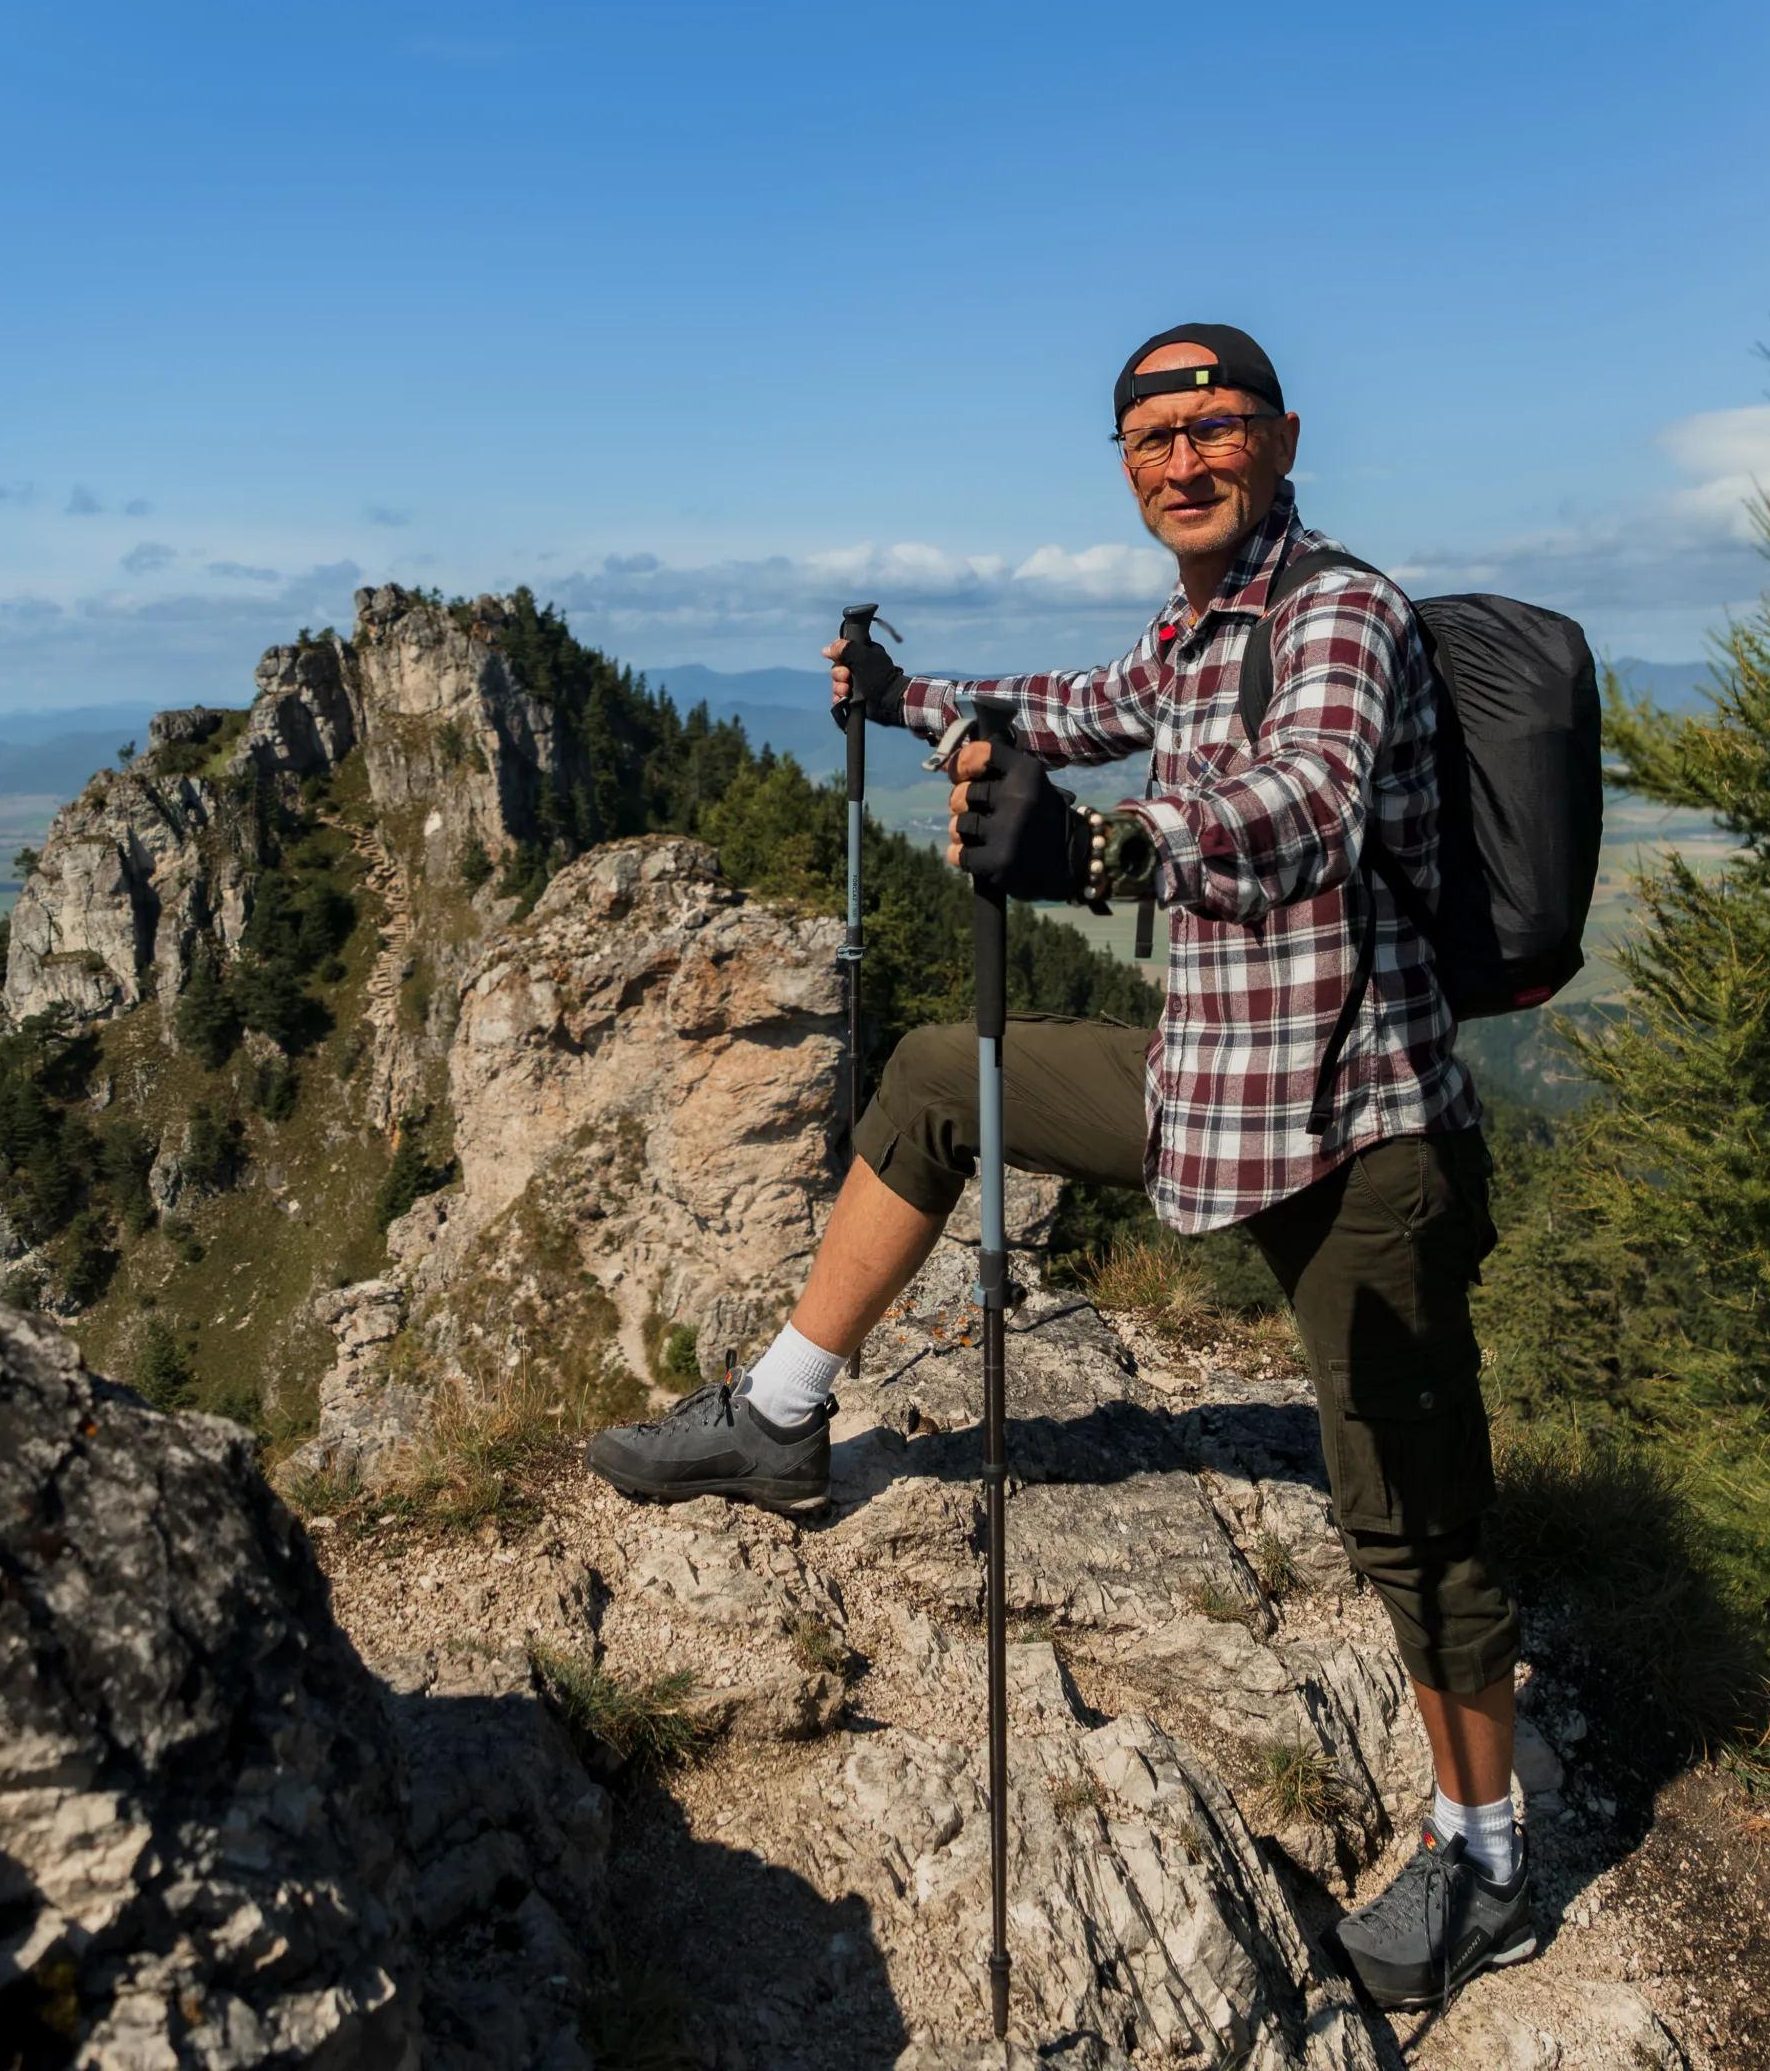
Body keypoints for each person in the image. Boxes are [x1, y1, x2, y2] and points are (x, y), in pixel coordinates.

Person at [585, 323, 1533, 2011]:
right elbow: (1065, 708)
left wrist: (1108, 846)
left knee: (1418, 1526)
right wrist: (908, 702)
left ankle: (1489, 1859)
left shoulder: (1340, 612)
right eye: (1153, 437)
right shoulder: (1188, 635)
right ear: (1126, 465)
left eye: (1215, 425)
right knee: (944, 1075)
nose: (1185, 458)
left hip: (1361, 1132)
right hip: (1205, 1086)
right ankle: (785, 1417)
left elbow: (1304, 802)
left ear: (1281, 436)